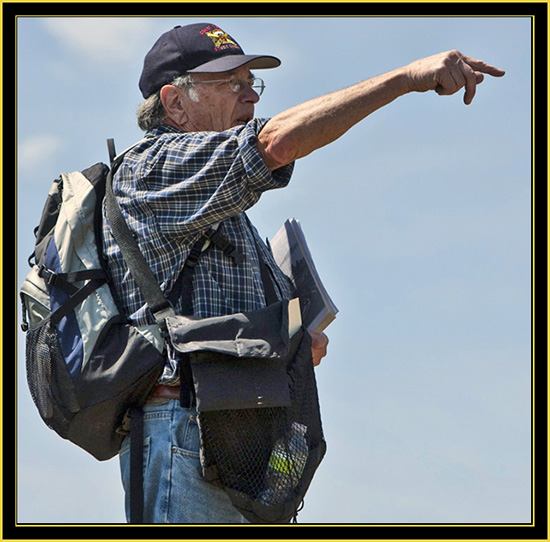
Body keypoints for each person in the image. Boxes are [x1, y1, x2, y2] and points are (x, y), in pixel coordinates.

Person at [102, 22, 505, 524]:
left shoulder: (214, 204)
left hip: (230, 439)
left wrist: (291, 341)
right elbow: (275, 142)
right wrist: (406, 79)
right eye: (232, 83)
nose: (250, 95)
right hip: (185, 429)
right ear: (174, 103)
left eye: (253, 82)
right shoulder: (154, 168)